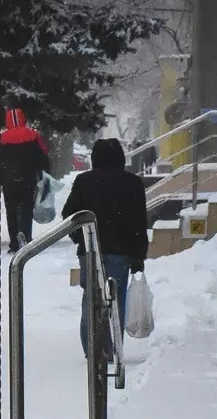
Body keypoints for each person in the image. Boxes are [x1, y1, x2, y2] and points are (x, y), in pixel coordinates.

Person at [59, 137, 150, 358]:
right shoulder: (133, 183)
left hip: (90, 250)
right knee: (115, 301)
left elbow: (69, 215)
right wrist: (139, 256)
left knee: (91, 299)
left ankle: (92, 350)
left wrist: (79, 238)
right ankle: (111, 349)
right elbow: (139, 221)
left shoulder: (84, 181)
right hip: (121, 251)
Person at [0, 108, 51, 251]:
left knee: (11, 211)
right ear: (23, 119)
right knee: (27, 207)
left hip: (9, 180)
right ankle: (26, 236)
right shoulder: (33, 136)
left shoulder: (2, 138)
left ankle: (14, 241)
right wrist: (44, 173)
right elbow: (43, 156)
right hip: (28, 179)